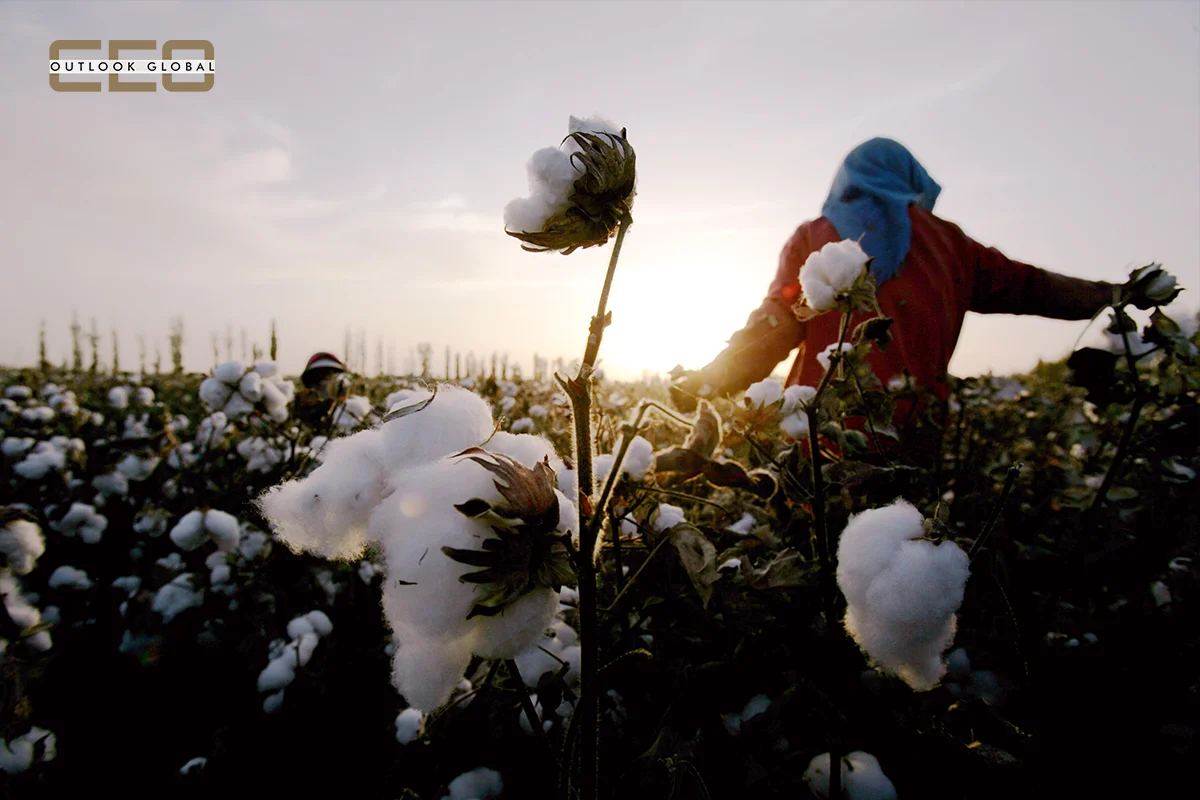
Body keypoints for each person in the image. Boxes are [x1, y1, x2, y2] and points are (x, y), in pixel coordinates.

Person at [670, 137, 1118, 465]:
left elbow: (778, 322)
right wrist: (1111, 294)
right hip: (915, 437)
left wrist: (716, 377)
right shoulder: (951, 244)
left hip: (817, 437)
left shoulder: (814, 236)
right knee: (898, 566)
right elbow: (1033, 286)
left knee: (817, 558)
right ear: (909, 180)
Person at [294, 351, 349, 427]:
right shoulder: (296, 413)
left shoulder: (352, 411)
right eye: (319, 378)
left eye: (330, 376)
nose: (325, 383)